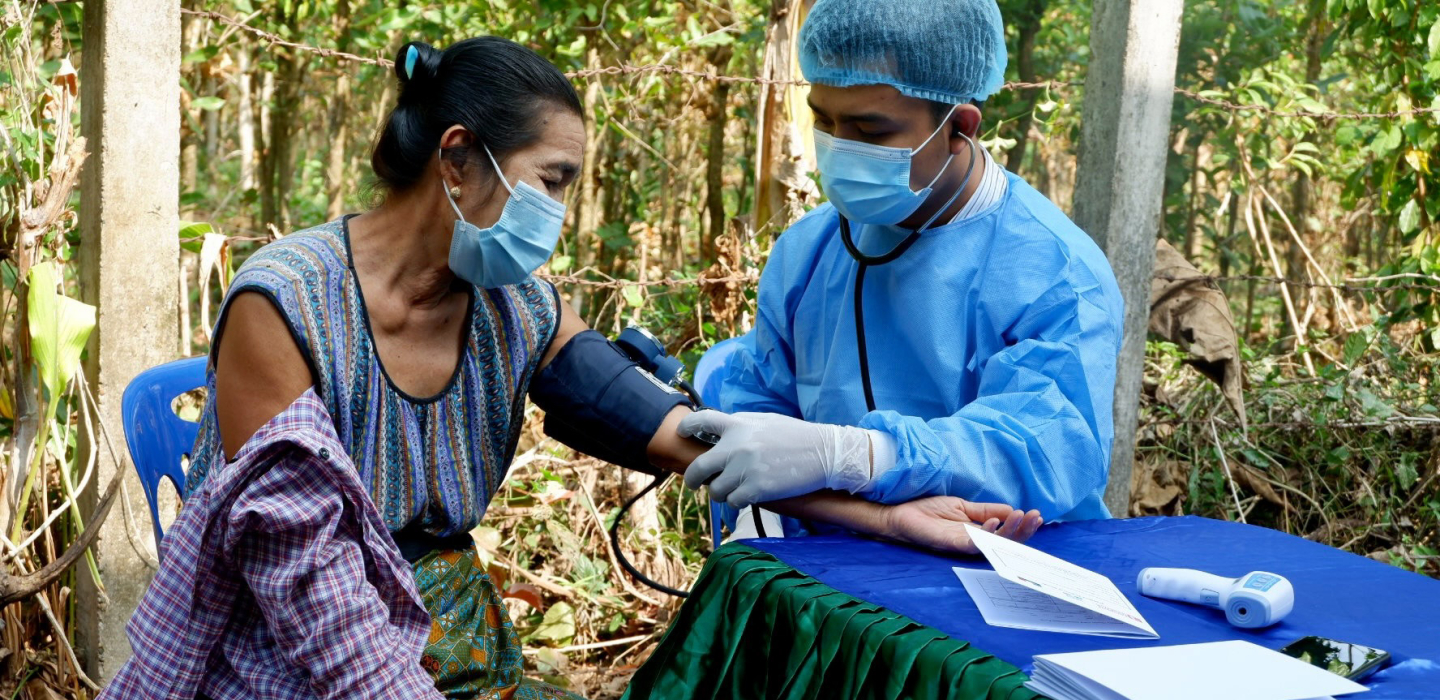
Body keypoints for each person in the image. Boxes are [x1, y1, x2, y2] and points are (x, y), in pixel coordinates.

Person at [99, 37, 1041, 700]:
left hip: (451, 642)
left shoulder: (515, 308)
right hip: (287, 658)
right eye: (551, 180)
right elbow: (312, 589)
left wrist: (887, 515)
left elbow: (679, 434)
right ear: (458, 160)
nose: (557, 212)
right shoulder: (285, 307)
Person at [680, 0, 1125, 533]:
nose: (839, 148)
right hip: (830, 557)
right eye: (824, 120)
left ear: (960, 127)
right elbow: (761, 396)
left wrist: (857, 455)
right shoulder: (808, 249)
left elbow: (1042, 450)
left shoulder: (1056, 274)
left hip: (1007, 558)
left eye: (871, 131)